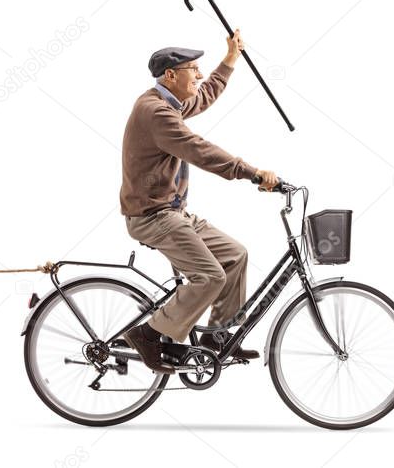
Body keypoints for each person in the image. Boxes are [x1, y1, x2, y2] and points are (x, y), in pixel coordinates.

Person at [119, 31, 279, 373]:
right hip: (152, 216)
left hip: (172, 212)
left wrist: (230, 58)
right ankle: (147, 334)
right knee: (209, 277)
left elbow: (204, 95)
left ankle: (215, 338)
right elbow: (200, 151)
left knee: (235, 255)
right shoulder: (155, 113)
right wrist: (251, 173)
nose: (200, 75)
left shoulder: (168, 103)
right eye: (194, 69)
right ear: (171, 76)